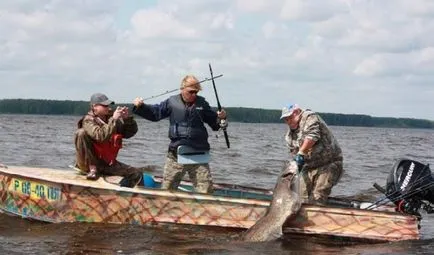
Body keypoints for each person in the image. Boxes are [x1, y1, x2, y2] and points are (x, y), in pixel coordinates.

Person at [132, 75, 227, 194]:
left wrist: (221, 118)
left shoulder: (202, 103)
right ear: (182, 89)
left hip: (198, 155)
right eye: (191, 92)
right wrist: (141, 106)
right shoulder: (171, 102)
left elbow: (215, 124)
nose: (193, 95)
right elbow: (155, 114)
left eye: (196, 92)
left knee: (206, 191)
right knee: (167, 191)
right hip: (176, 155)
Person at [74, 93, 143, 188]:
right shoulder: (88, 120)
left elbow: (129, 134)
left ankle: (124, 193)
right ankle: (92, 169)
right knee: (81, 133)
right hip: (89, 163)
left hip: (107, 163)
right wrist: (114, 119)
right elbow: (100, 136)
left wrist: (127, 119)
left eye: (108, 105)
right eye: (104, 105)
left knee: (136, 174)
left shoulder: (111, 119)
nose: (107, 107)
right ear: (94, 107)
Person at [281, 103, 343, 204]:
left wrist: (301, 152)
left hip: (329, 164)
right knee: (300, 197)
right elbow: (293, 153)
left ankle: (316, 216)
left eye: (290, 117)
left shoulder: (309, 117)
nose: (288, 121)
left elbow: (312, 136)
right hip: (308, 166)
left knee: (318, 196)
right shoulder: (289, 136)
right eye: (286, 119)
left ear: (297, 112)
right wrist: (296, 165)